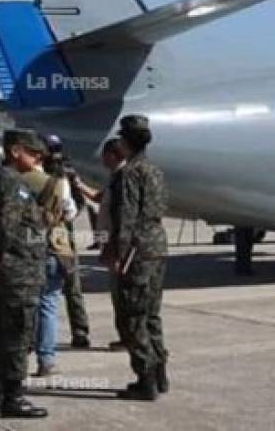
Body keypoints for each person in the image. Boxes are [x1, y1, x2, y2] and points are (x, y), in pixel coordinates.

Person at [0, 129, 49, 418]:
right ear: (15, 151)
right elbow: (6, 229)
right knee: (18, 334)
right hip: (17, 274)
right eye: (33, 151)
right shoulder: (12, 183)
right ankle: (13, 397)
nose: (39, 157)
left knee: (3, 334)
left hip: (6, 271)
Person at [106, 115, 170, 401]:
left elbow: (127, 216)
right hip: (156, 245)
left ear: (125, 141)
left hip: (137, 250)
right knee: (152, 314)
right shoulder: (154, 170)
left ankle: (145, 380)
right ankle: (159, 374)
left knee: (132, 315)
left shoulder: (129, 173)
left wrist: (118, 253)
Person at [23, 140, 77, 377]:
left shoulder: (17, 180)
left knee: (25, 303)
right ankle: (46, 359)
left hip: (26, 246)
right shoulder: (59, 183)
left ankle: (21, 352)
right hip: (54, 245)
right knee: (48, 304)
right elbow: (71, 212)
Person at [73, 137, 128, 351]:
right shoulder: (116, 178)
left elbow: (124, 219)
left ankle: (129, 338)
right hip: (111, 243)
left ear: (113, 156)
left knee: (123, 294)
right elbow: (99, 198)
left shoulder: (124, 179)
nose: (102, 160)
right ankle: (126, 336)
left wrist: (116, 252)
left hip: (118, 246)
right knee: (119, 294)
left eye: (105, 155)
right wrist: (78, 185)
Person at [42, 134, 91, 349]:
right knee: (72, 287)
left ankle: (79, 331)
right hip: (62, 233)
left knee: (60, 288)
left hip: (53, 232)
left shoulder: (46, 173)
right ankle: (80, 331)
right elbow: (79, 203)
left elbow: (78, 202)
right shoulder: (67, 172)